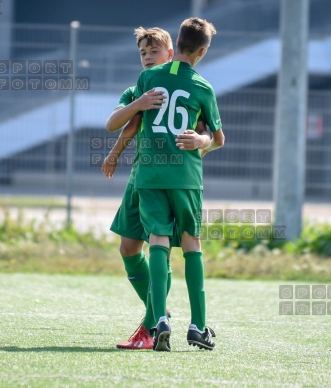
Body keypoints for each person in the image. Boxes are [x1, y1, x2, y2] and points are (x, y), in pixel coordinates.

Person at [103, 26, 212, 350]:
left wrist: (201, 141)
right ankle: (160, 311)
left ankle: (152, 323)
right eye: (143, 53)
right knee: (128, 249)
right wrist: (138, 104)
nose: (148, 58)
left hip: (166, 178)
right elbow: (118, 123)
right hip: (142, 177)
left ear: (171, 54)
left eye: (154, 52)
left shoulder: (182, 86)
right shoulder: (141, 87)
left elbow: (206, 135)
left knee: (158, 243)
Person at [134, 17, 225, 352]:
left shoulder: (148, 77)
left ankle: (159, 320)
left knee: (156, 239)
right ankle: (198, 327)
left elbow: (132, 120)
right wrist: (199, 139)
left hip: (150, 173)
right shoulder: (202, 87)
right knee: (191, 243)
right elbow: (218, 140)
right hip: (185, 176)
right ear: (202, 51)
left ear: (176, 44)